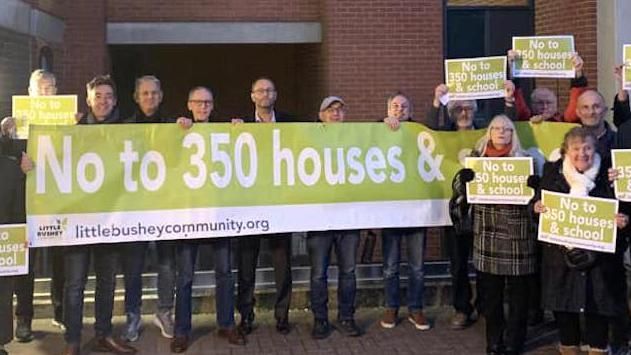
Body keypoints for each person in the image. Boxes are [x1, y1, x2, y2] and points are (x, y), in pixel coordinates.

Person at [21, 75, 138, 355]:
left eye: (109, 96)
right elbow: (48, 161)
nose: (103, 101)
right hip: (75, 223)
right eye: (98, 96)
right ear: (88, 100)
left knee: (107, 283)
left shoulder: (125, 130)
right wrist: (30, 164)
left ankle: (104, 334)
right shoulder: (69, 129)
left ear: (115, 100)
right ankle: (72, 342)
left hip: (110, 222)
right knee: (74, 284)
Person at [533, 127, 629, 355]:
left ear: (595, 148)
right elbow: (538, 202)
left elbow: (625, 205)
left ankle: (598, 349)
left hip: (601, 262)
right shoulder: (551, 171)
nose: (582, 153)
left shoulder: (611, 172)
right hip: (561, 259)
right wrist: (535, 208)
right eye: (576, 148)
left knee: (598, 313)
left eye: (587, 148)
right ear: (567, 150)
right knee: (566, 316)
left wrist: (625, 219)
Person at [452, 115, 537, 355]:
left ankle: (515, 341)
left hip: (518, 235)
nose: (501, 132)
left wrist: (534, 187)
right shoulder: (476, 161)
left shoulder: (525, 161)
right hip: (487, 234)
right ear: (489, 133)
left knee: (519, 296)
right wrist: (463, 182)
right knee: (491, 295)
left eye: (506, 129)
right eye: (496, 128)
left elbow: (537, 201)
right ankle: (494, 340)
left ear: (513, 134)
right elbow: (461, 196)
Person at [169, 86, 245, 352]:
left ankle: (226, 323)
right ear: (189, 104)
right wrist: (176, 130)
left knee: (224, 273)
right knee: (185, 277)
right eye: (198, 102)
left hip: (218, 213)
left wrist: (240, 130)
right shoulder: (178, 130)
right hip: (188, 215)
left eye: (207, 102)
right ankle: (182, 331)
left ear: (213, 106)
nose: (203, 106)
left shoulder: (223, 132)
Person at [235, 77, 293, 335]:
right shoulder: (239, 126)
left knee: (282, 264)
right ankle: (246, 315)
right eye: (260, 90)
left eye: (269, 89)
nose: (265, 94)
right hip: (250, 206)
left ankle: (282, 315)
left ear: (275, 94)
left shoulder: (291, 123)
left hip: (280, 206)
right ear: (252, 96)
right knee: (246, 265)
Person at [122, 75, 177, 342]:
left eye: (154, 93)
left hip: (165, 207)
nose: (150, 98)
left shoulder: (174, 126)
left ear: (161, 95)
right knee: (133, 267)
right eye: (145, 93)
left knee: (167, 264)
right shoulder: (122, 128)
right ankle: (133, 316)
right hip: (135, 209)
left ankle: (164, 312)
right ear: (136, 97)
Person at [307, 96, 362, 339]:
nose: (336, 114)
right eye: (330, 110)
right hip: (319, 219)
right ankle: (320, 319)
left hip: (349, 219)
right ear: (320, 115)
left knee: (348, 272)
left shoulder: (355, 139)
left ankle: (346, 317)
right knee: (318, 272)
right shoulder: (309, 141)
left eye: (340, 110)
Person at [380, 92, 430, 331]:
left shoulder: (421, 132)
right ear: (388, 109)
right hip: (390, 210)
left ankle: (416, 308)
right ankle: (391, 307)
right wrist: (382, 125)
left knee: (417, 266)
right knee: (390, 266)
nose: (399, 110)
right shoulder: (378, 131)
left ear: (410, 111)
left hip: (416, 210)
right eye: (395, 106)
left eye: (404, 106)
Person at [0, 128, 27, 355]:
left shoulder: (11, 168)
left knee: (3, 294)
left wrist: (20, 238)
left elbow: (19, 212)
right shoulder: (10, 168)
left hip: (4, 244)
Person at [507, 51, 587, 123]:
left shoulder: (564, 121)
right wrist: (513, 70)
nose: (545, 107)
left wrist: (578, 73)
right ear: (532, 105)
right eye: (539, 103)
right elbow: (519, 105)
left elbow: (576, 104)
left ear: (556, 105)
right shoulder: (526, 120)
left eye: (549, 103)